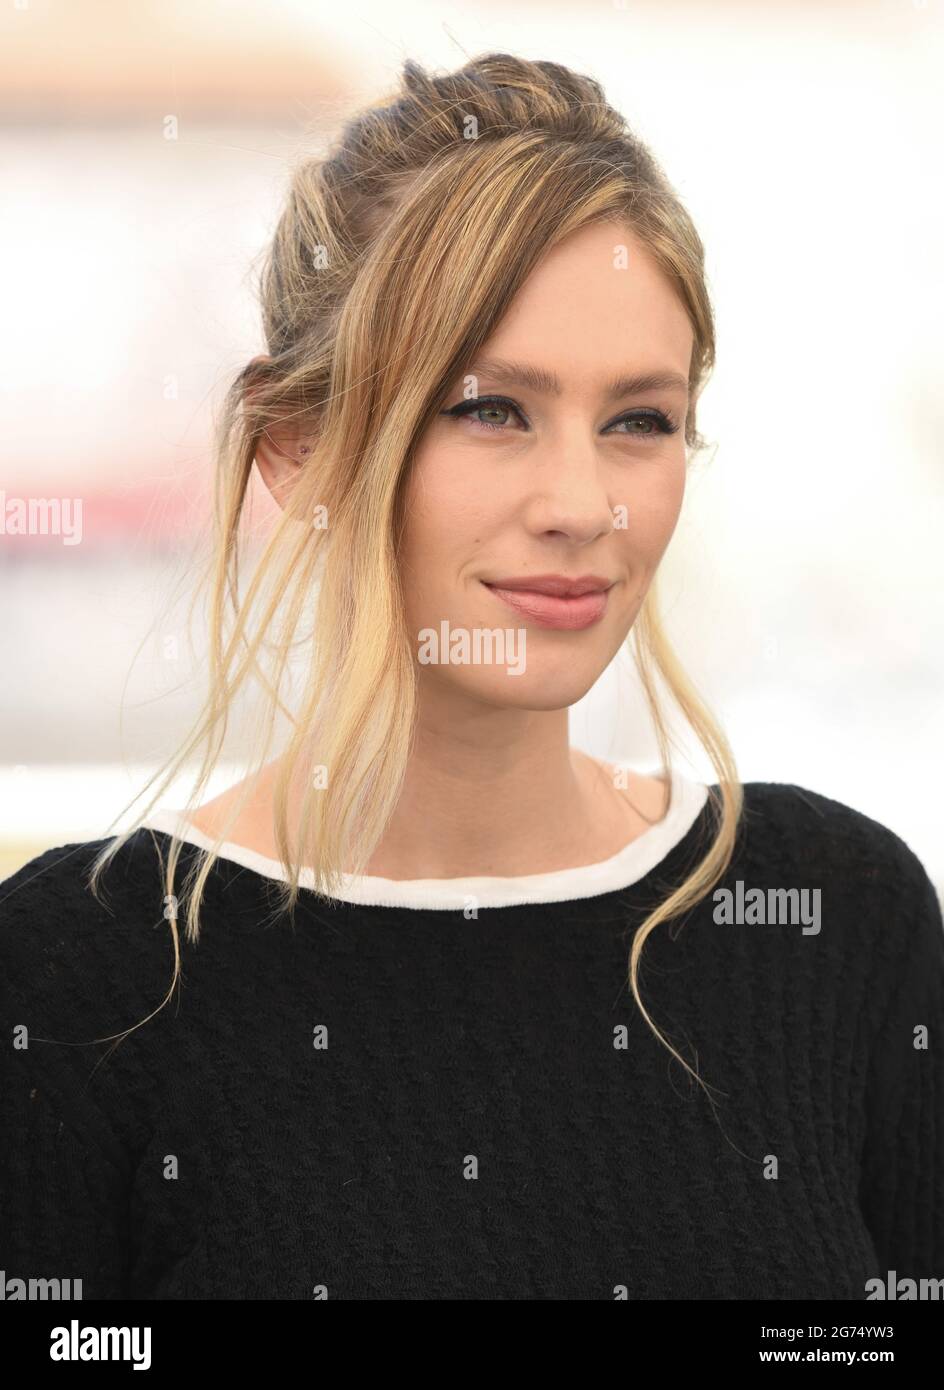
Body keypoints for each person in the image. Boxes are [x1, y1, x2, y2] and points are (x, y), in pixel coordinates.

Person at [1, 52, 941, 1301]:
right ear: (302, 448)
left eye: (638, 419)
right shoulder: (80, 977)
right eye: (492, 409)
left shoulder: (838, 914)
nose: (581, 505)